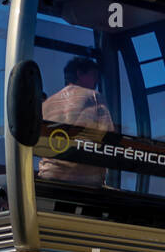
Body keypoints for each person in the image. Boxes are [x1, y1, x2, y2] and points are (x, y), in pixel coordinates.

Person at [37, 56, 113, 186]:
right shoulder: (93, 96)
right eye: (94, 75)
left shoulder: (46, 104)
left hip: (49, 176)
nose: (97, 80)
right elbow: (109, 136)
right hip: (84, 180)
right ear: (79, 74)